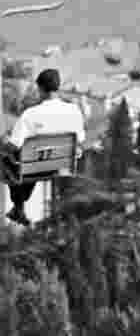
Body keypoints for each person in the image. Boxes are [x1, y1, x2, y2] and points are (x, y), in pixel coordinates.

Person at [1, 68, 84, 226]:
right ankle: (18, 209)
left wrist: (4, 145)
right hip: (61, 164)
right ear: (58, 87)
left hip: (34, 165)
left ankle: (18, 207)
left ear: (39, 88)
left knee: (15, 163)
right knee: (31, 162)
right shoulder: (74, 111)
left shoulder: (30, 114)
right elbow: (80, 138)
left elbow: (14, 145)